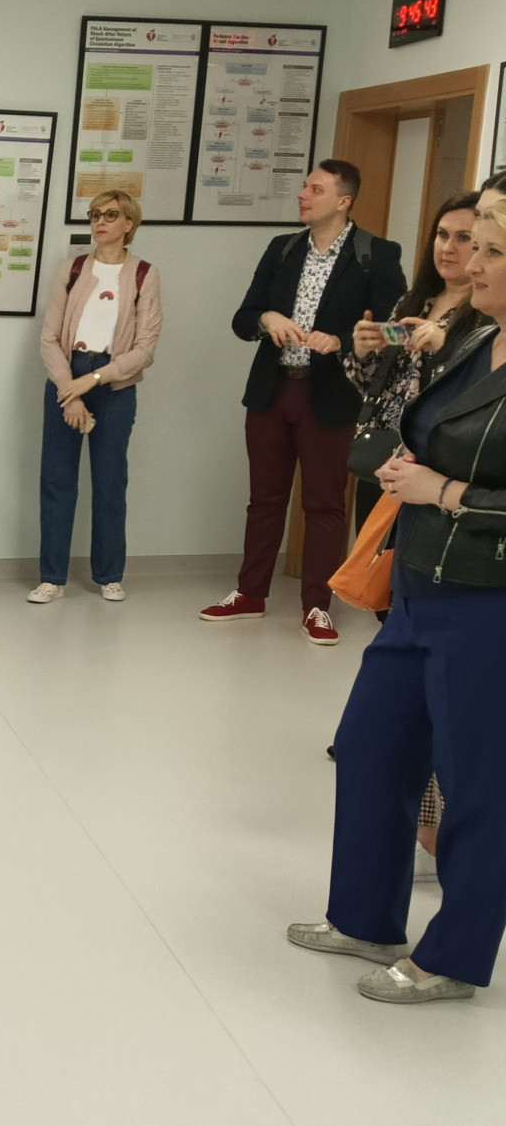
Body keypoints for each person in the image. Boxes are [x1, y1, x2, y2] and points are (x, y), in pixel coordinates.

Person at [289, 200, 506, 1003]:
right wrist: (405, 466)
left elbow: (463, 479)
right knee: (371, 749)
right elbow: (423, 425)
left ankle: (452, 958)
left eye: (491, 251)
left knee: (478, 786)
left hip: (487, 602)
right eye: (473, 244)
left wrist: (443, 490)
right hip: (417, 583)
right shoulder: (477, 338)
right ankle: (365, 919)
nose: (470, 264)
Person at [205, 160, 406, 644]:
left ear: (343, 201)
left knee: (324, 504)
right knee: (264, 500)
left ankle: (318, 605)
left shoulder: (376, 254)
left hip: (332, 396)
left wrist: (342, 341)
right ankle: (249, 593)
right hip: (272, 390)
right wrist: (267, 319)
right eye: (304, 186)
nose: (302, 194)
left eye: (315, 189)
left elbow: (399, 330)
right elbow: (242, 318)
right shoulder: (283, 248)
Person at [28, 189, 162, 604]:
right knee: (57, 480)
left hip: (114, 384)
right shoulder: (72, 269)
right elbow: (49, 337)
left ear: (129, 224)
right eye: (94, 214)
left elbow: (145, 348)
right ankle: (52, 577)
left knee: (109, 481)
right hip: (66, 377)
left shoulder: (143, 274)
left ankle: (109, 575)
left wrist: (93, 380)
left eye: (111, 214)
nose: (100, 221)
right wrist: (70, 393)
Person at [344, 192, 483, 533]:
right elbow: (376, 384)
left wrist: (445, 346)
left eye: (463, 238)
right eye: (442, 234)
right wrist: (362, 353)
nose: (448, 247)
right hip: (384, 451)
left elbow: (483, 384)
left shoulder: (486, 312)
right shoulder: (414, 301)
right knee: (370, 553)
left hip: (435, 462)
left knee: (408, 549)